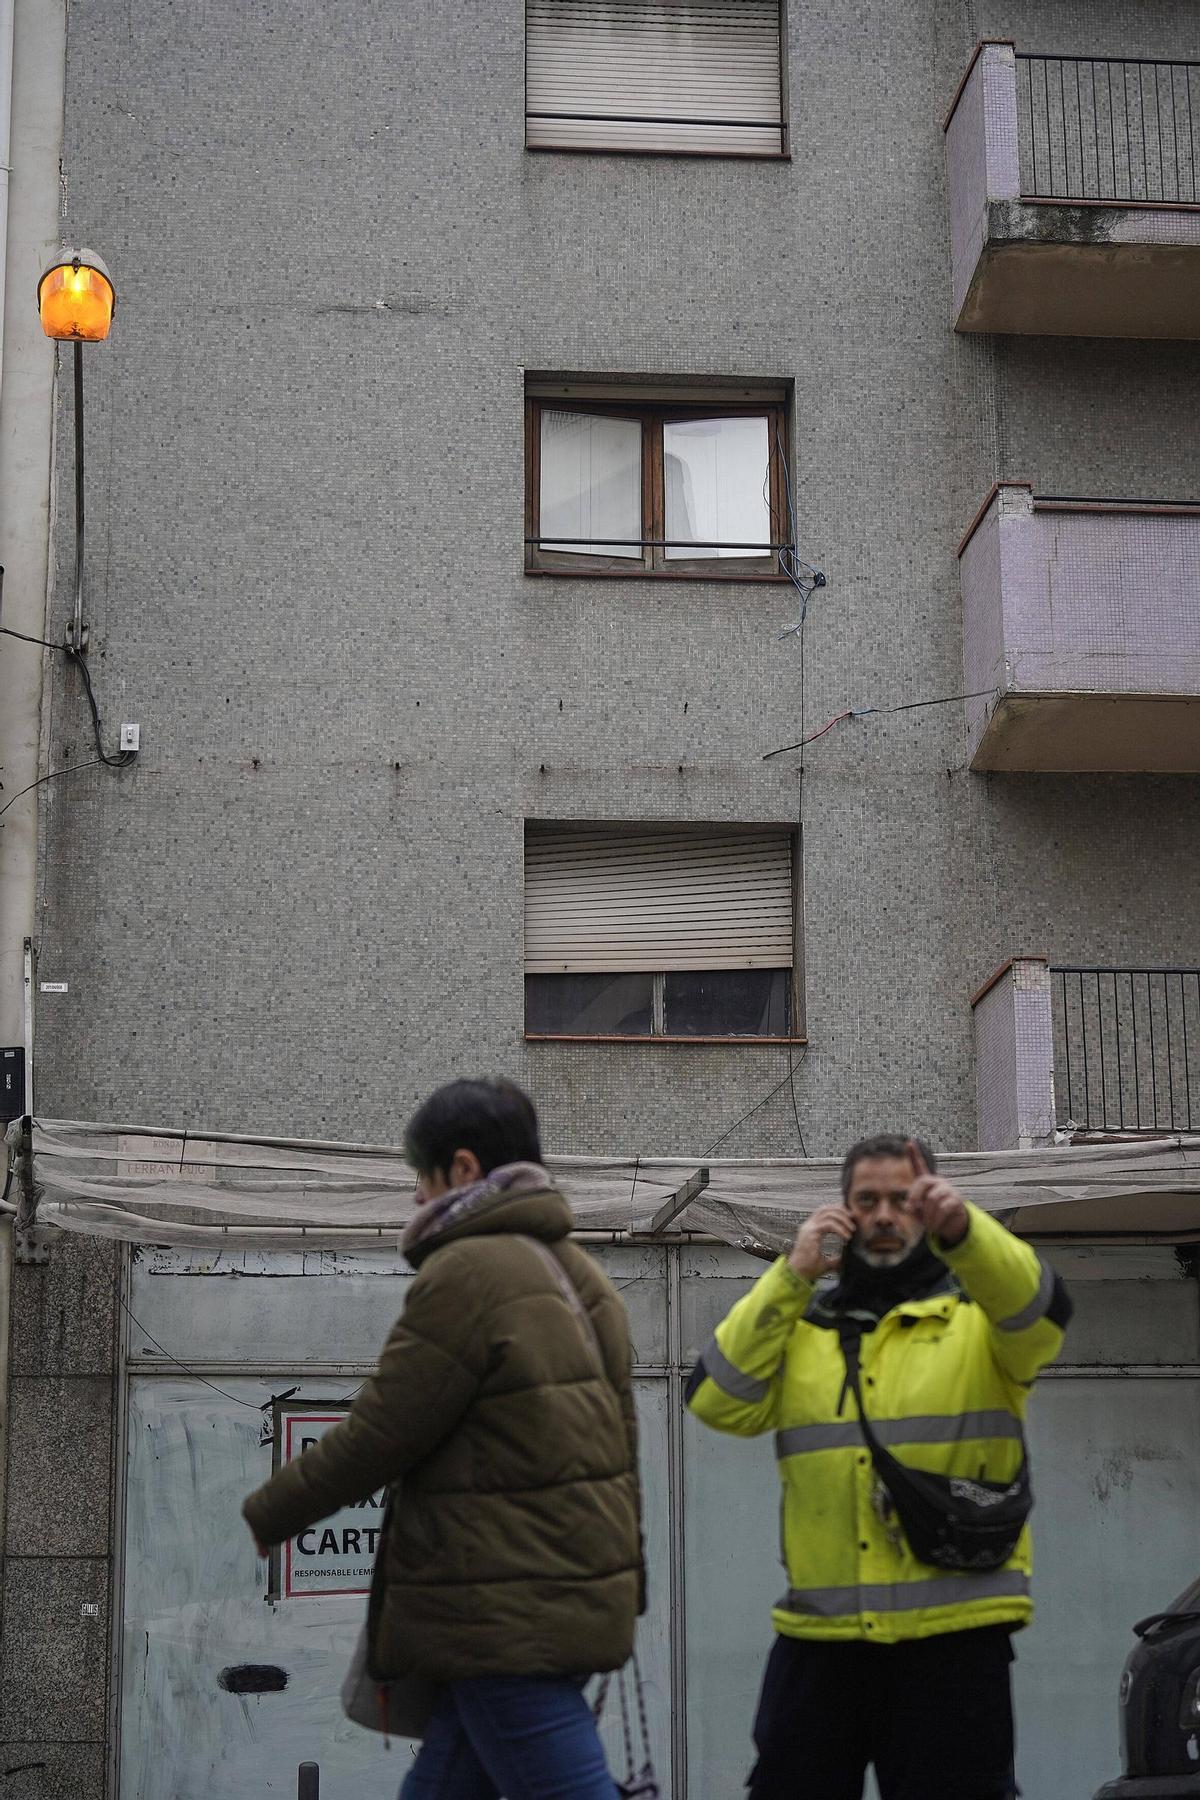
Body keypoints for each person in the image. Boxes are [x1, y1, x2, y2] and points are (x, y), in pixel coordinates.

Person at [242, 1077, 642, 1800]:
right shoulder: (584, 1278)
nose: (416, 1199)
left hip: (497, 1609)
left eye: (419, 1178)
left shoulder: (469, 1271)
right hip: (563, 1591)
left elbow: (383, 1431)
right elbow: (623, 1449)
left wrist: (273, 1511)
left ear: (461, 1169)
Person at [687, 1134, 1071, 1800]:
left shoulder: (980, 1324)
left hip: (954, 1644)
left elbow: (1044, 1310)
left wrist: (967, 1230)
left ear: (927, 1213)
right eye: (868, 1200)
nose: (886, 1215)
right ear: (845, 1214)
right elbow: (717, 1399)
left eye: (905, 1199)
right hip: (822, 1640)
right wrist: (789, 1275)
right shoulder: (803, 1325)